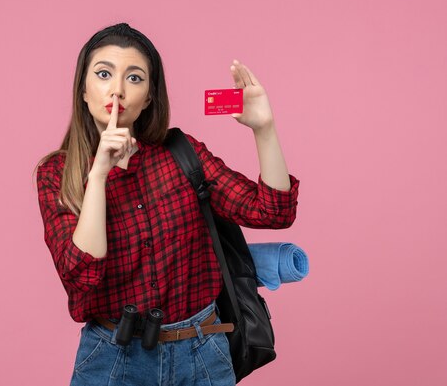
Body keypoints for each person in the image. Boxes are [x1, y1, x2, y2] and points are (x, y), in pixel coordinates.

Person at [35, 23, 299, 386]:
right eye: (103, 74)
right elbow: (81, 276)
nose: (117, 89)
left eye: (135, 78)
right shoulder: (57, 173)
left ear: (149, 98)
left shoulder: (181, 155)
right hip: (113, 359)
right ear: (83, 89)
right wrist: (98, 176)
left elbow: (274, 211)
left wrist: (264, 128)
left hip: (202, 353)